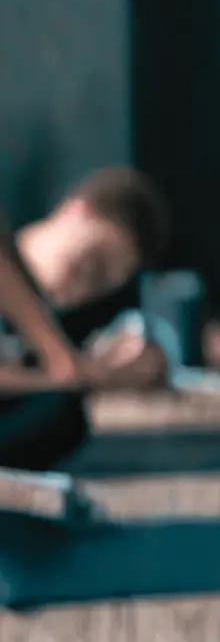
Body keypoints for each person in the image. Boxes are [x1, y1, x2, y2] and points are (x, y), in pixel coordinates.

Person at [1, 166, 176, 470]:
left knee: (62, 418)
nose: (85, 284)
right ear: (75, 211)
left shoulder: (74, 323)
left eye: (104, 284)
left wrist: (98, 372)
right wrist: (68, 367)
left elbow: (154, 355)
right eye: (94, 262)